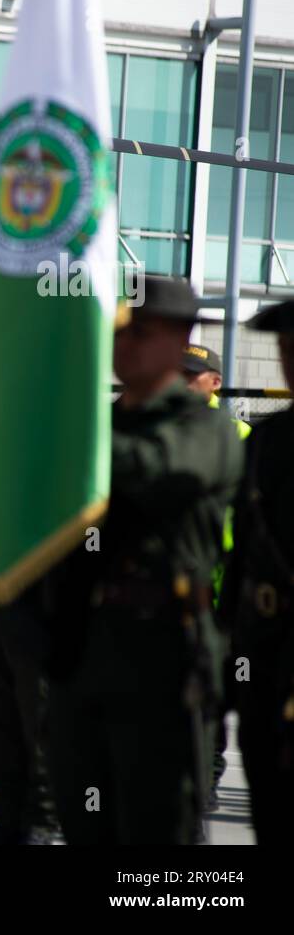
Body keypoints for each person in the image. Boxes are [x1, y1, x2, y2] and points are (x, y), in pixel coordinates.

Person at [45, 276, 243, 844]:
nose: (125, 345)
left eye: (143, 334)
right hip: (82, 655)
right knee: (84, 823)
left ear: (179, 339)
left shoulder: (207, 427)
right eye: (121, 333)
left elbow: (154, 473)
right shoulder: (101, 424)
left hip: (167, 658)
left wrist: (64, 437)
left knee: (158, 843)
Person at [221, 298, 294, 844]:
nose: (290, 361)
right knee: (270, 804)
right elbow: (244, 556)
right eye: (285, 350)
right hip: (266, 652)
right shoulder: (267, 440)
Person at [180, 343, 249, 810]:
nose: (183, 381)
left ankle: (206, 776)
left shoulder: (239, 435)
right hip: (168, 588)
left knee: (211, 692)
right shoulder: (160, 425)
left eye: (193, 375)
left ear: (215, 383)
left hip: (224, 586)